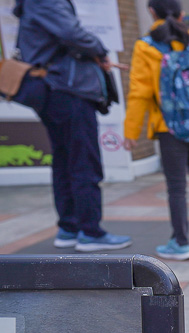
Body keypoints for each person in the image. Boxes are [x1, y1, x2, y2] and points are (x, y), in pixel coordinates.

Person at [13, 0, 132, 251]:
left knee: (65, 160)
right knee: (83, 161)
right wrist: (99, 50)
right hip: (68, 89)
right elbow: (71, 33)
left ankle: (69, 228)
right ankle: (90, 232)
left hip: (54, 88)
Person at [122, 0, 189, 261]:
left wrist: (131, 132)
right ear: (181, 14)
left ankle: (181, 242)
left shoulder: (145, 46)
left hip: (169, 127)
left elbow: (139, 94)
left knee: (176, 187)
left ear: (151, 12)